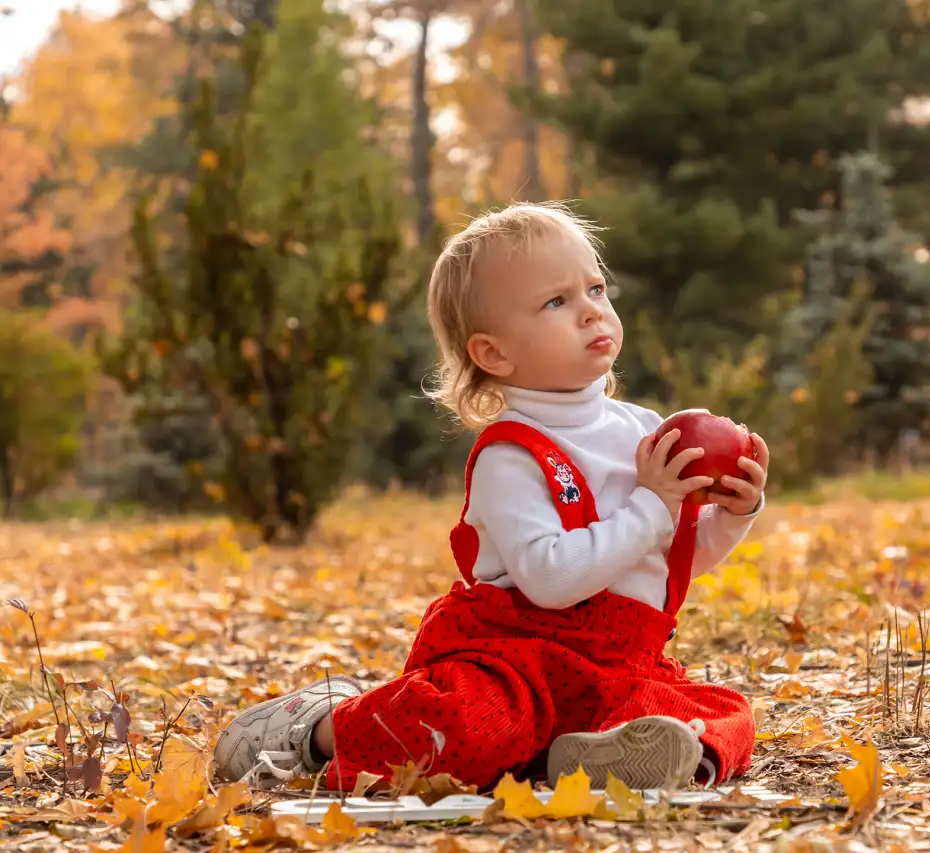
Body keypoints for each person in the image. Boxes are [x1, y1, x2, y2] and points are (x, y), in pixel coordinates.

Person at [211, 202, 769, 795]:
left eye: (595, 289)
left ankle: (605, 757)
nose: (591, 311)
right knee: (462, 728)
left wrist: (733, 513)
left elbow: (666, 561)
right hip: (517, 667)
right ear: (494, 353)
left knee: (722, 708)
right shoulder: (512, 455)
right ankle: (319, 728)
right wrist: (653, 506)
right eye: (556, 302)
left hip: (620, 671)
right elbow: (551, 580)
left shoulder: (647, 432)